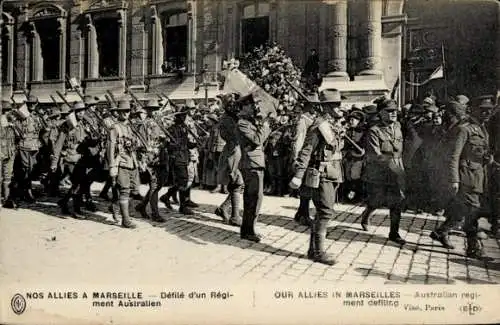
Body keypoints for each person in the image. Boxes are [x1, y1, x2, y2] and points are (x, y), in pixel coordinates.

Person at [430, 97, 494, 259]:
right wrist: (454, 180)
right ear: (472, 110)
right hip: (465, 176)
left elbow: (479, 153)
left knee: (461, 209)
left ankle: (441, 231)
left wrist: (488, 159)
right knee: (473, 209)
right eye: (483, 109)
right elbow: (454, 156)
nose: (487, 112)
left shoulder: (481, 129)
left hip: (478, 175)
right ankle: (473, 248)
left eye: (489, 109)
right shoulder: (464, 129)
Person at [289, 89, 345, 265]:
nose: (340, 109)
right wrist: (298, 175)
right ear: (326, 108)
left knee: (324, 211)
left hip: (333, 172)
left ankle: (313, 250)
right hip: (321, 174)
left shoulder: (333, 125)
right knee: (325, 211)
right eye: (336, 105)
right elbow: (306, 152)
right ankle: (318, 251)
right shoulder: (318, 127)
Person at [359, 99, 406, 245]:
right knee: (376, 201)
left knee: (397, 201)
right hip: (379, 171)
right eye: (389, 111)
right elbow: (375, 155)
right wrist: (393, 167)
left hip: (397, 168)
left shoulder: (398, 126)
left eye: (394, 111)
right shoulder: (374, 131)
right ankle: (366, 215)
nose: (393, 114)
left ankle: (394, 233)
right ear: (380, 113)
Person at [237, 93, 271, 242]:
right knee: (253, 198)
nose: (254, 108)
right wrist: (264, 125)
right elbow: (257, 139)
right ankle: (248, 230)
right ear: (244, 107)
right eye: (251, 105)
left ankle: (248, 229)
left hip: (255, 162)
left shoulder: (250, 122)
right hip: (251, 164)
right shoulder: (242, 123)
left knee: (254, 197)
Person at [52, 101, 90, 217]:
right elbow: (58, 145)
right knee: (77, 184)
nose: (81, 113)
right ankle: (76, 210)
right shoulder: (67, 125)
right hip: (70, 159)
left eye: (82, 111)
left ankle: (64, 202)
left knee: (77, 185)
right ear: (74, 112)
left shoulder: (84, 124)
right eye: (78, 111)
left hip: (81, 159)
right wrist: (54, 163)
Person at [133, 99, 167, 222]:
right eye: (153, 110)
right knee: (154, 184)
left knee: (159, 184)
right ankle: (155, 213)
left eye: (157, 109)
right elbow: (139, 143)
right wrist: (145, 154)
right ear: (148, 111)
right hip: (150, 158)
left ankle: (142, 205)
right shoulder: (144, 124)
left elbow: (163, 138)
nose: (156, 111)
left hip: (161, 157)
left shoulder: (161, 123)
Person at [107, 100, 139, 228]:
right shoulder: (114, 127)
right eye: (123, 111)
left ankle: (116, 207)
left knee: (132, 189)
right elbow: (110, 147)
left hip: (131, 161)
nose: (126, 113)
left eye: (128, 111)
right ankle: (125, 220)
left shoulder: (129, 127)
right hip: (120, 162)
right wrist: (112, 166)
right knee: (124, 189)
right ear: (118, 112)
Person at [215, 94, 243, 226]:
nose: (235, 107)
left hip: (237, 151)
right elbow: (233, 135)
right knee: (237, 184)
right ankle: (234, 216)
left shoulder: (233, 117)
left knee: (238, 184)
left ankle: (225, 209)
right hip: (232, 152)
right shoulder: (226, 119)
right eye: (232, 105)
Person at [291, 93, 319, 226]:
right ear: (309, 106)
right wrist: (297, 159)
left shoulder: (310, 119)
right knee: (305, 187)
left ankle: (301, 213)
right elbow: (299, 141)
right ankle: (303, 215)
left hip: (308, 156)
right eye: (315, 105)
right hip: (303, 157)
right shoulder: (303, 120)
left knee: (307, 187)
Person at [0, 100, 17, 209]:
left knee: (8, 177)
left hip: (9, 152)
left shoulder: (11, 125)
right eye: (5, 111)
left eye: (9, 111)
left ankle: (7, 199)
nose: (7, 113)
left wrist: (12, 125)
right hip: (1, 152)